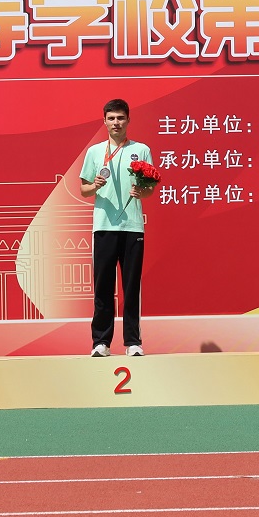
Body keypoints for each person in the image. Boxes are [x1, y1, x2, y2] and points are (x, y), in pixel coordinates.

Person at [79, 97, 153, 357]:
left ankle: (133, 342)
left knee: (131, 288)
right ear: (104, 121)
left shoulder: (141, 150)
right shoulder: (94, 152)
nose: (116, 122)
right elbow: (83, 189)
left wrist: (141, 191)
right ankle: (101, 342)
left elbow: (149, 189)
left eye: (120, 118)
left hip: (132, 227)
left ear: (128, 120)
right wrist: (95, 185)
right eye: (111, 118)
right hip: (104, 226)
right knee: (103, 287)